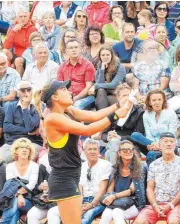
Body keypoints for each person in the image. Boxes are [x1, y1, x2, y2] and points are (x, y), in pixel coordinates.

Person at [41, 79, 133, 224]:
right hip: (63, 178)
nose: (70, 91)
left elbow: (94, 116)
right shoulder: (52, 118)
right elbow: (87, 130)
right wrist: (115, 115)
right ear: (55, 97)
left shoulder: (68, 111)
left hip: (73, 175)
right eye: (64, 89)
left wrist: (118, 104)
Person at [134, 132, 180, 224]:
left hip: (176, 204)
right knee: (139, 221)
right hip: (156, 204)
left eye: (171, 141)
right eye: (165, 141)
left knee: (174, 221)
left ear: (175, 145)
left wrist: (170, 205)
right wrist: (155, 205)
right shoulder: (153, 165)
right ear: (159, 145)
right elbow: (150, 188)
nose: (168, 144)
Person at [100, 140, 147, 224]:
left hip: (135, 203)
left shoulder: (140, 167)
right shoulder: (115, 168)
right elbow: (110, 190)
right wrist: (111, 197)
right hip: (117, 202)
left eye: (131, 149)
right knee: (106, 214)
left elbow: (131, 190)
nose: (128, 151)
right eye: (125, 150)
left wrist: (114, 196)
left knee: (116, 212)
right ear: (119, 153)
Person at [131, 89, 179, 166]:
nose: (157, 102)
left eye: (159, 99)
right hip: (152, 145)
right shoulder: (146, 114)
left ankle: (151, 176)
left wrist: (161, 145)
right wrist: (154, 145)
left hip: (169, 144)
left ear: (163, 100)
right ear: (150, 102)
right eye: (154, 100)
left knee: (151, 154)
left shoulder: (170, 113)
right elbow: (148, 134)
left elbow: (172, 134)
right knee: (135, 135)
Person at [0, 81, 42, 163]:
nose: (26, 93)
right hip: (13, 143)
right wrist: (27, 131)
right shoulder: (11, 106)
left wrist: (25, 107)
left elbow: (31, 127)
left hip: (31, 143)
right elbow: (7, 127)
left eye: (29, 90)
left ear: (32, 91)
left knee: (23, 159)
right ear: (18, 93)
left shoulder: (36, 106)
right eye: (23, 90)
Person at [0, 138, 39, 224]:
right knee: (14, 212)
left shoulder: (34, 166)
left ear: (30, 152)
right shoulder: (10, 166)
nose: (25, 150)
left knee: (13, 202)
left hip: (29, 200)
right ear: (16, 151)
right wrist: (19, 196)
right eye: (21, 147)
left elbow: (31, 186)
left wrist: (18, 194)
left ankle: (3, 222)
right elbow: (10, 185)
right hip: (14, 199)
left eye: (27, 148)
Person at [57, 38, 95, 110]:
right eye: (71, 48)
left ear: (80, 49)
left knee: (76, 106)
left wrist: (75, 99)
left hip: (85, 97)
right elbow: (60, 87)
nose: (74, 50)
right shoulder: (62, 66)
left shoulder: (88, 65)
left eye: (76, 47)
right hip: (67, 97)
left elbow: (88, 87)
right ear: (66, 51)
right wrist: (67, 98)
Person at [80, 138, 112, 223]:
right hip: (82, 200)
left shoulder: (106, 164)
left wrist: (91, 204)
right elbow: (79, 188)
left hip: (98, 201)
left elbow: (103, 189)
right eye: (90, 149)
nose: (93, 151)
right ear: (85, 151)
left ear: (98, 151)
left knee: (86, 217)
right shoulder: (81, 166)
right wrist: (79, 205)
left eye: (95, 149)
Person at [88, 45, 126, 110]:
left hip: (116, 93)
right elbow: (99, 82)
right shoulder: (100, 65)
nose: (105, 57)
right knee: (100, 91)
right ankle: (101, 117)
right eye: (103, 55)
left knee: (101, 93)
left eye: (108, 55)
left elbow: (113, 85)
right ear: (100, 56)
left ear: (112, 55)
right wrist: (102, 70)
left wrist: (95, 86)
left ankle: (100, 116)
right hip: (104, 93)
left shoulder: (120, 67)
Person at [3, 7, 37, 74]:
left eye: (25, 16)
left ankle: (19, 82)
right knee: (4, 51)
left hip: (28, 55)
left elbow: (32, 46)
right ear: (17, 18)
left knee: (18, 60)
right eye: (20, 16)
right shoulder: (13, 28)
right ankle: (8, 75)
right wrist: (14, 31)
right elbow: (6, 46)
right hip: (16, 54)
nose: (23, 19)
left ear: (28, 17)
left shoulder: (33, 28)